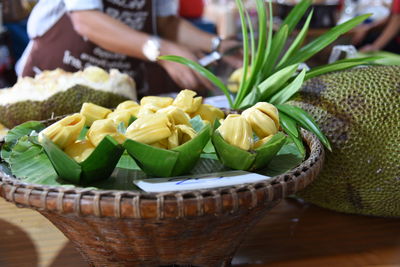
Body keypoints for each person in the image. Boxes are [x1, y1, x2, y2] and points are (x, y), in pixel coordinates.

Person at [18, 0, 241, 96]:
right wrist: (160, 51)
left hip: (118, 84)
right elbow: (86, 20)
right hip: (57, 78)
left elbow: (167, 23)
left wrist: (218, 45)